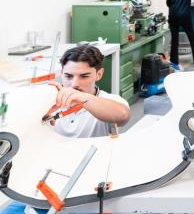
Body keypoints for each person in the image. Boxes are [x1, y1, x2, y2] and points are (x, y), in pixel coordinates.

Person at [2, 45, 130, 212]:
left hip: (87, 183)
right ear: (61, 73)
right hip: (46, 179)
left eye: (84, 76)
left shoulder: (109, 100)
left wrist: (83, 98)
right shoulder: (50, 101)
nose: (74, 84)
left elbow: (122, 115)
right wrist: (39, 107)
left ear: (99, 74)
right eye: (68, 76)